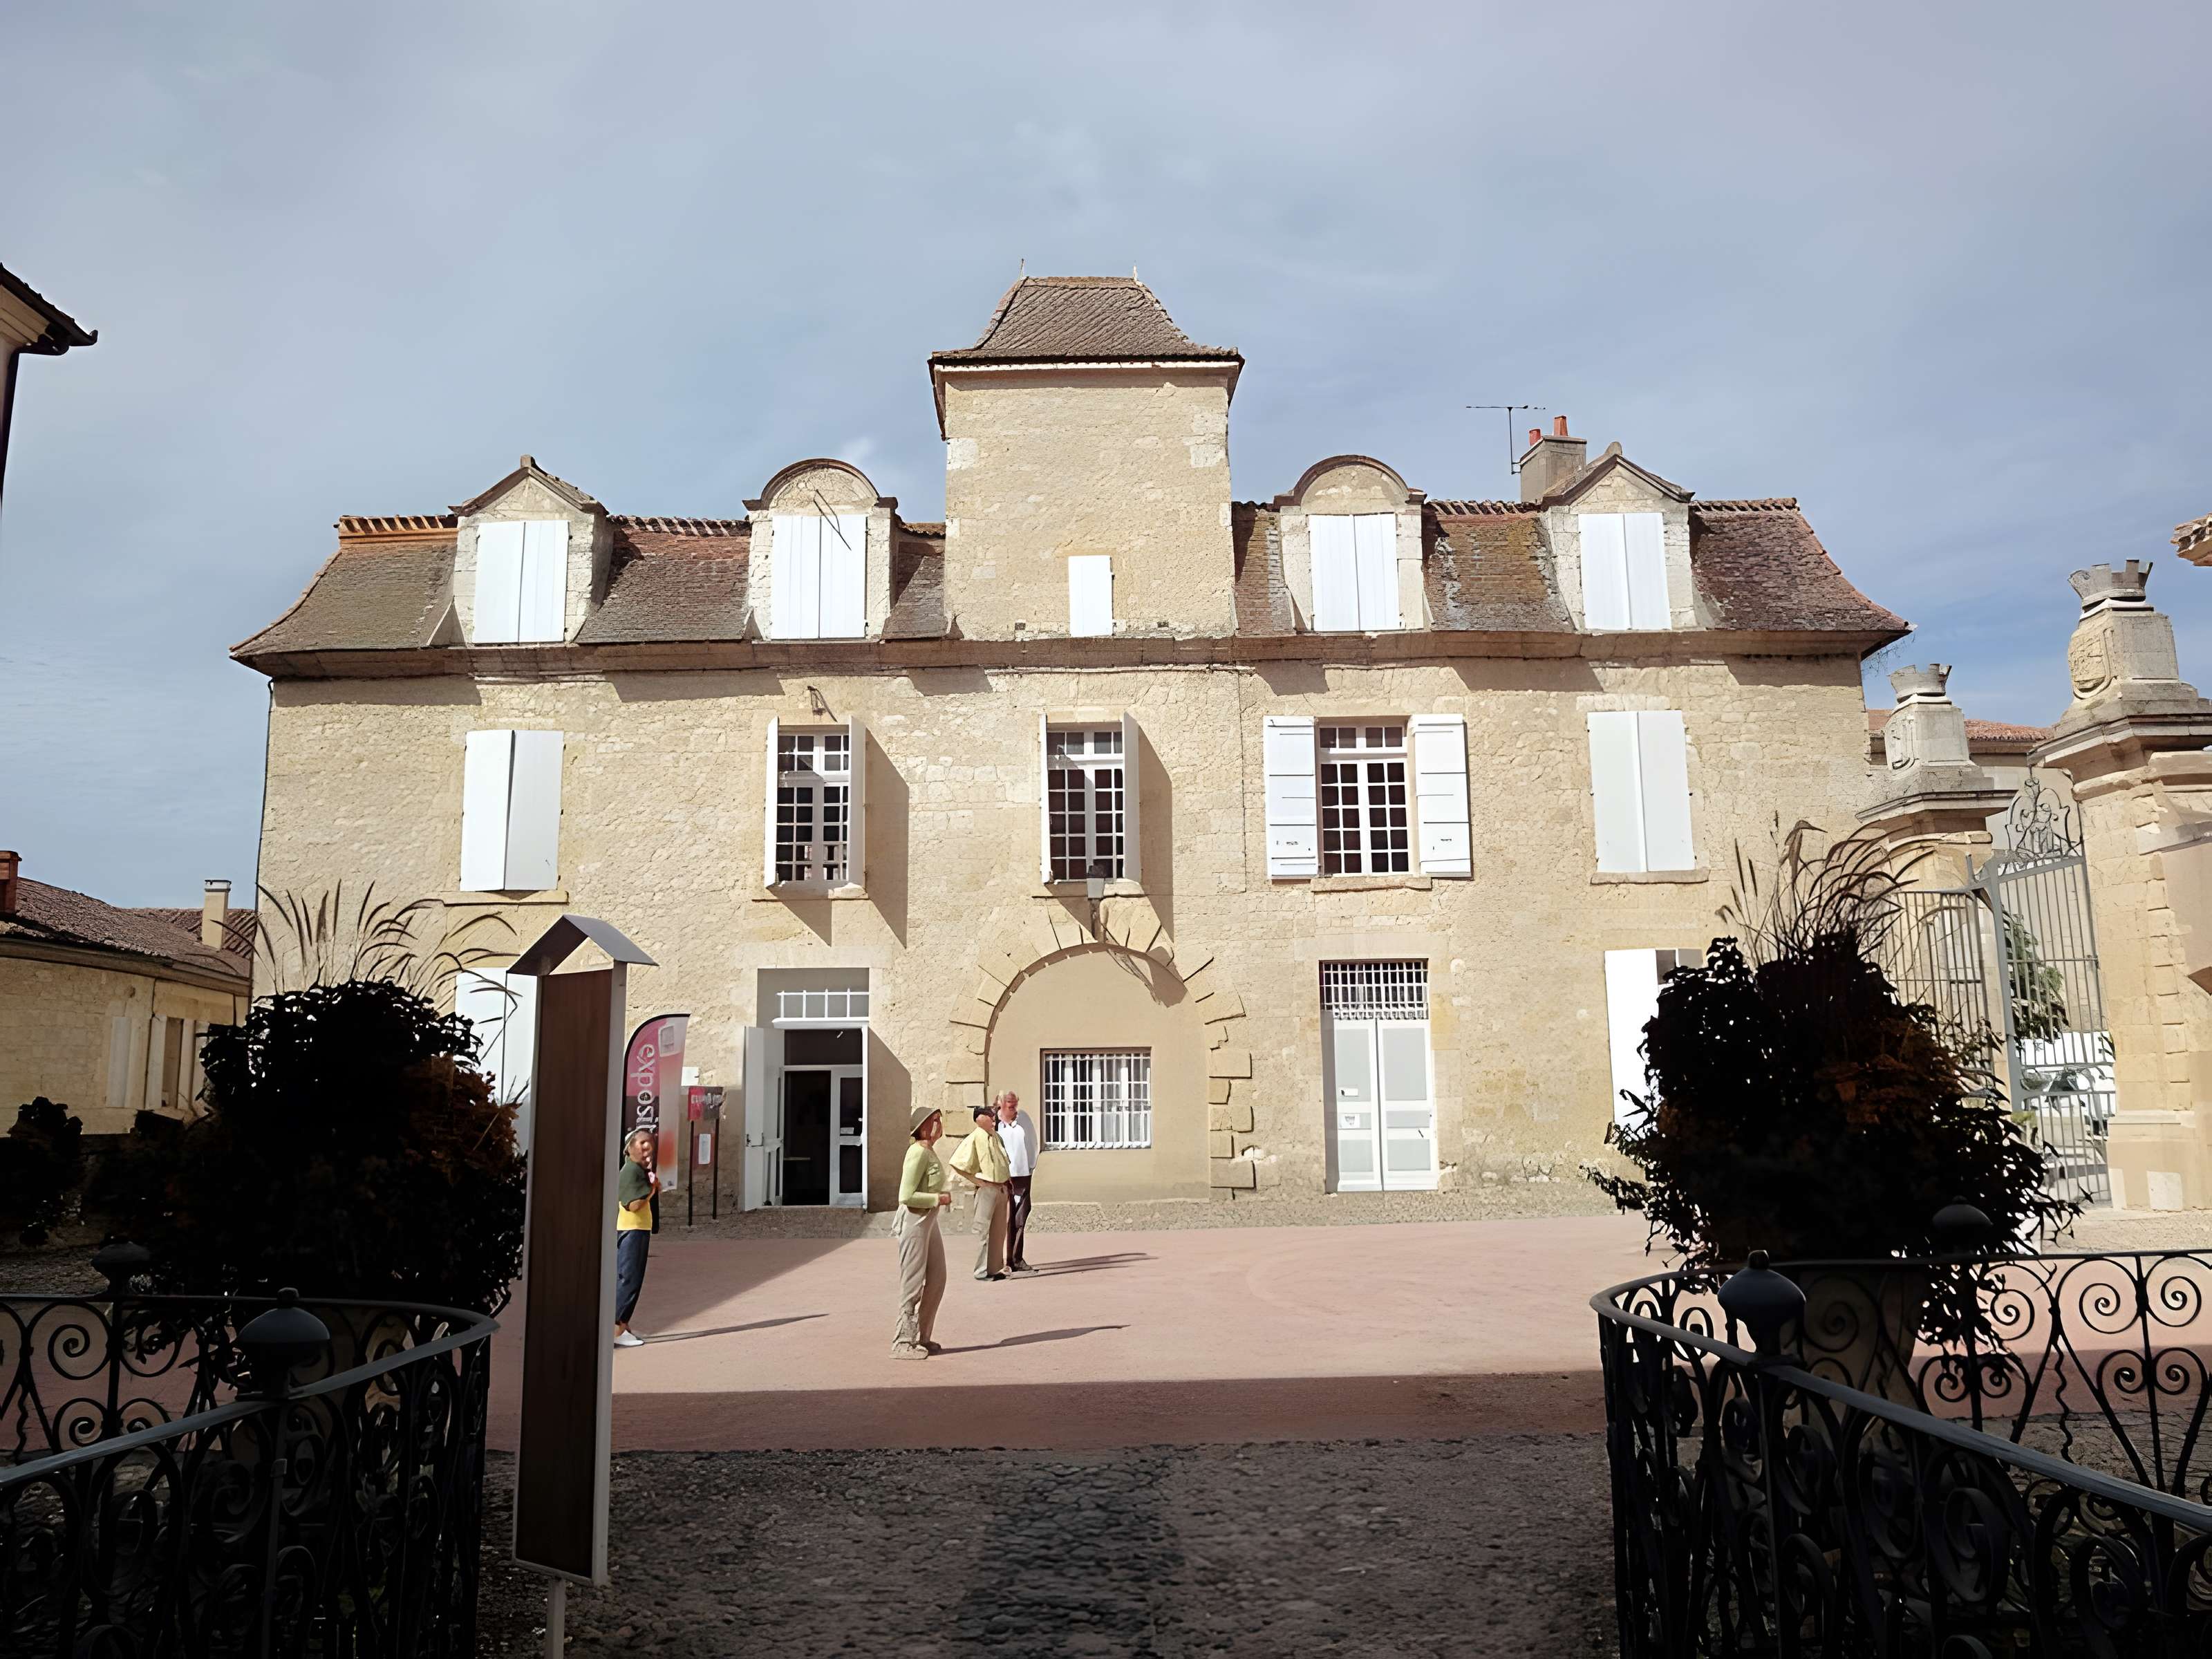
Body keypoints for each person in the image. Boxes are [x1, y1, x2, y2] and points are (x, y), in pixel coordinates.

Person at [893, 1105, 952, 1360]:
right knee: (913, 1283)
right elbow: (906, 1195)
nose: (939, 1124)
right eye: (934, 1121)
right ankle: (903, 1341)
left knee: (938, 1279)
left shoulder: (930, 1151)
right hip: (915, 1221)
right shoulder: (917, 1153)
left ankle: (923, 1337)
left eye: (939, 1119)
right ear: (922, 1127)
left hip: (930, 1222)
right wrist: (937, 1198)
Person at [946, 1102, 1011, 1282]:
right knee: (983, 1231)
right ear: (980, 1119)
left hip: (1001, 1188)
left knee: (998, 1232)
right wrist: (976, 1181)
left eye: (994, 1117)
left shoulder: (996, 1137)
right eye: (991, 1117)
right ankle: (981, 1271)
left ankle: (995, 1269)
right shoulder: (975, 1137)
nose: (994, 1120)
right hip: (987, 1188)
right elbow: (957, 1163)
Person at [614, 1127, 658, 1348]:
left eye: (650, 1144)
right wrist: (653, 1189)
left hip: (633, 1228)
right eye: (642, 1144)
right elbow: (633, 1205)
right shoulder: (631, 1171)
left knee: (627, 1276)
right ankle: (617, 1329)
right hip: (633, 1229)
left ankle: (622, 1325)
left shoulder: (635, 1170)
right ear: (629, 1148)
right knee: (629, 1279)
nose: (647, 1149)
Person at [995, 1091, 1042, 1275]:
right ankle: (1001, 1261)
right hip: (1003, 1178)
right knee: (1003, 1220)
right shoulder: (994, 1123)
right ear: (1000, 1104)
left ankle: (1017, 1258)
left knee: (1020, 1219)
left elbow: (1033, 1144)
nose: (1014, 1109)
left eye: (1016, 1105)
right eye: (1010, 1105)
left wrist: (1031, 1168)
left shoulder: (1024, 1119)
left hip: (1023, 1176)